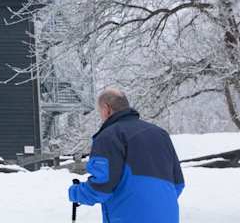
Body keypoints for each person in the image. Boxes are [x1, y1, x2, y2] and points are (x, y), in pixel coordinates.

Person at [68, 88, 185, 223]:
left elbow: (102, 187)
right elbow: (178, 184)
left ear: (107, 109)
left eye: (100, 111)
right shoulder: (161, 134)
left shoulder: (109, 136)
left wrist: (75, 192)